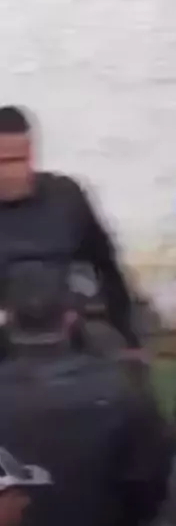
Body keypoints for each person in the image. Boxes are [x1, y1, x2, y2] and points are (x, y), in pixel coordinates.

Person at [0, 261, 173, 526]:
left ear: (8, 318)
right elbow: (153, 489)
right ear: (70, 317)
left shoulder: (120, 388)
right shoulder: (123, 388)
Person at [0, 105, 139, 348]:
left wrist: (129, 336)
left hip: (68, 332)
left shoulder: (66, 197)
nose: (10, 172)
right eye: (1, 162)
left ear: (31, 154)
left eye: (18, 160)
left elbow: (105, 267)